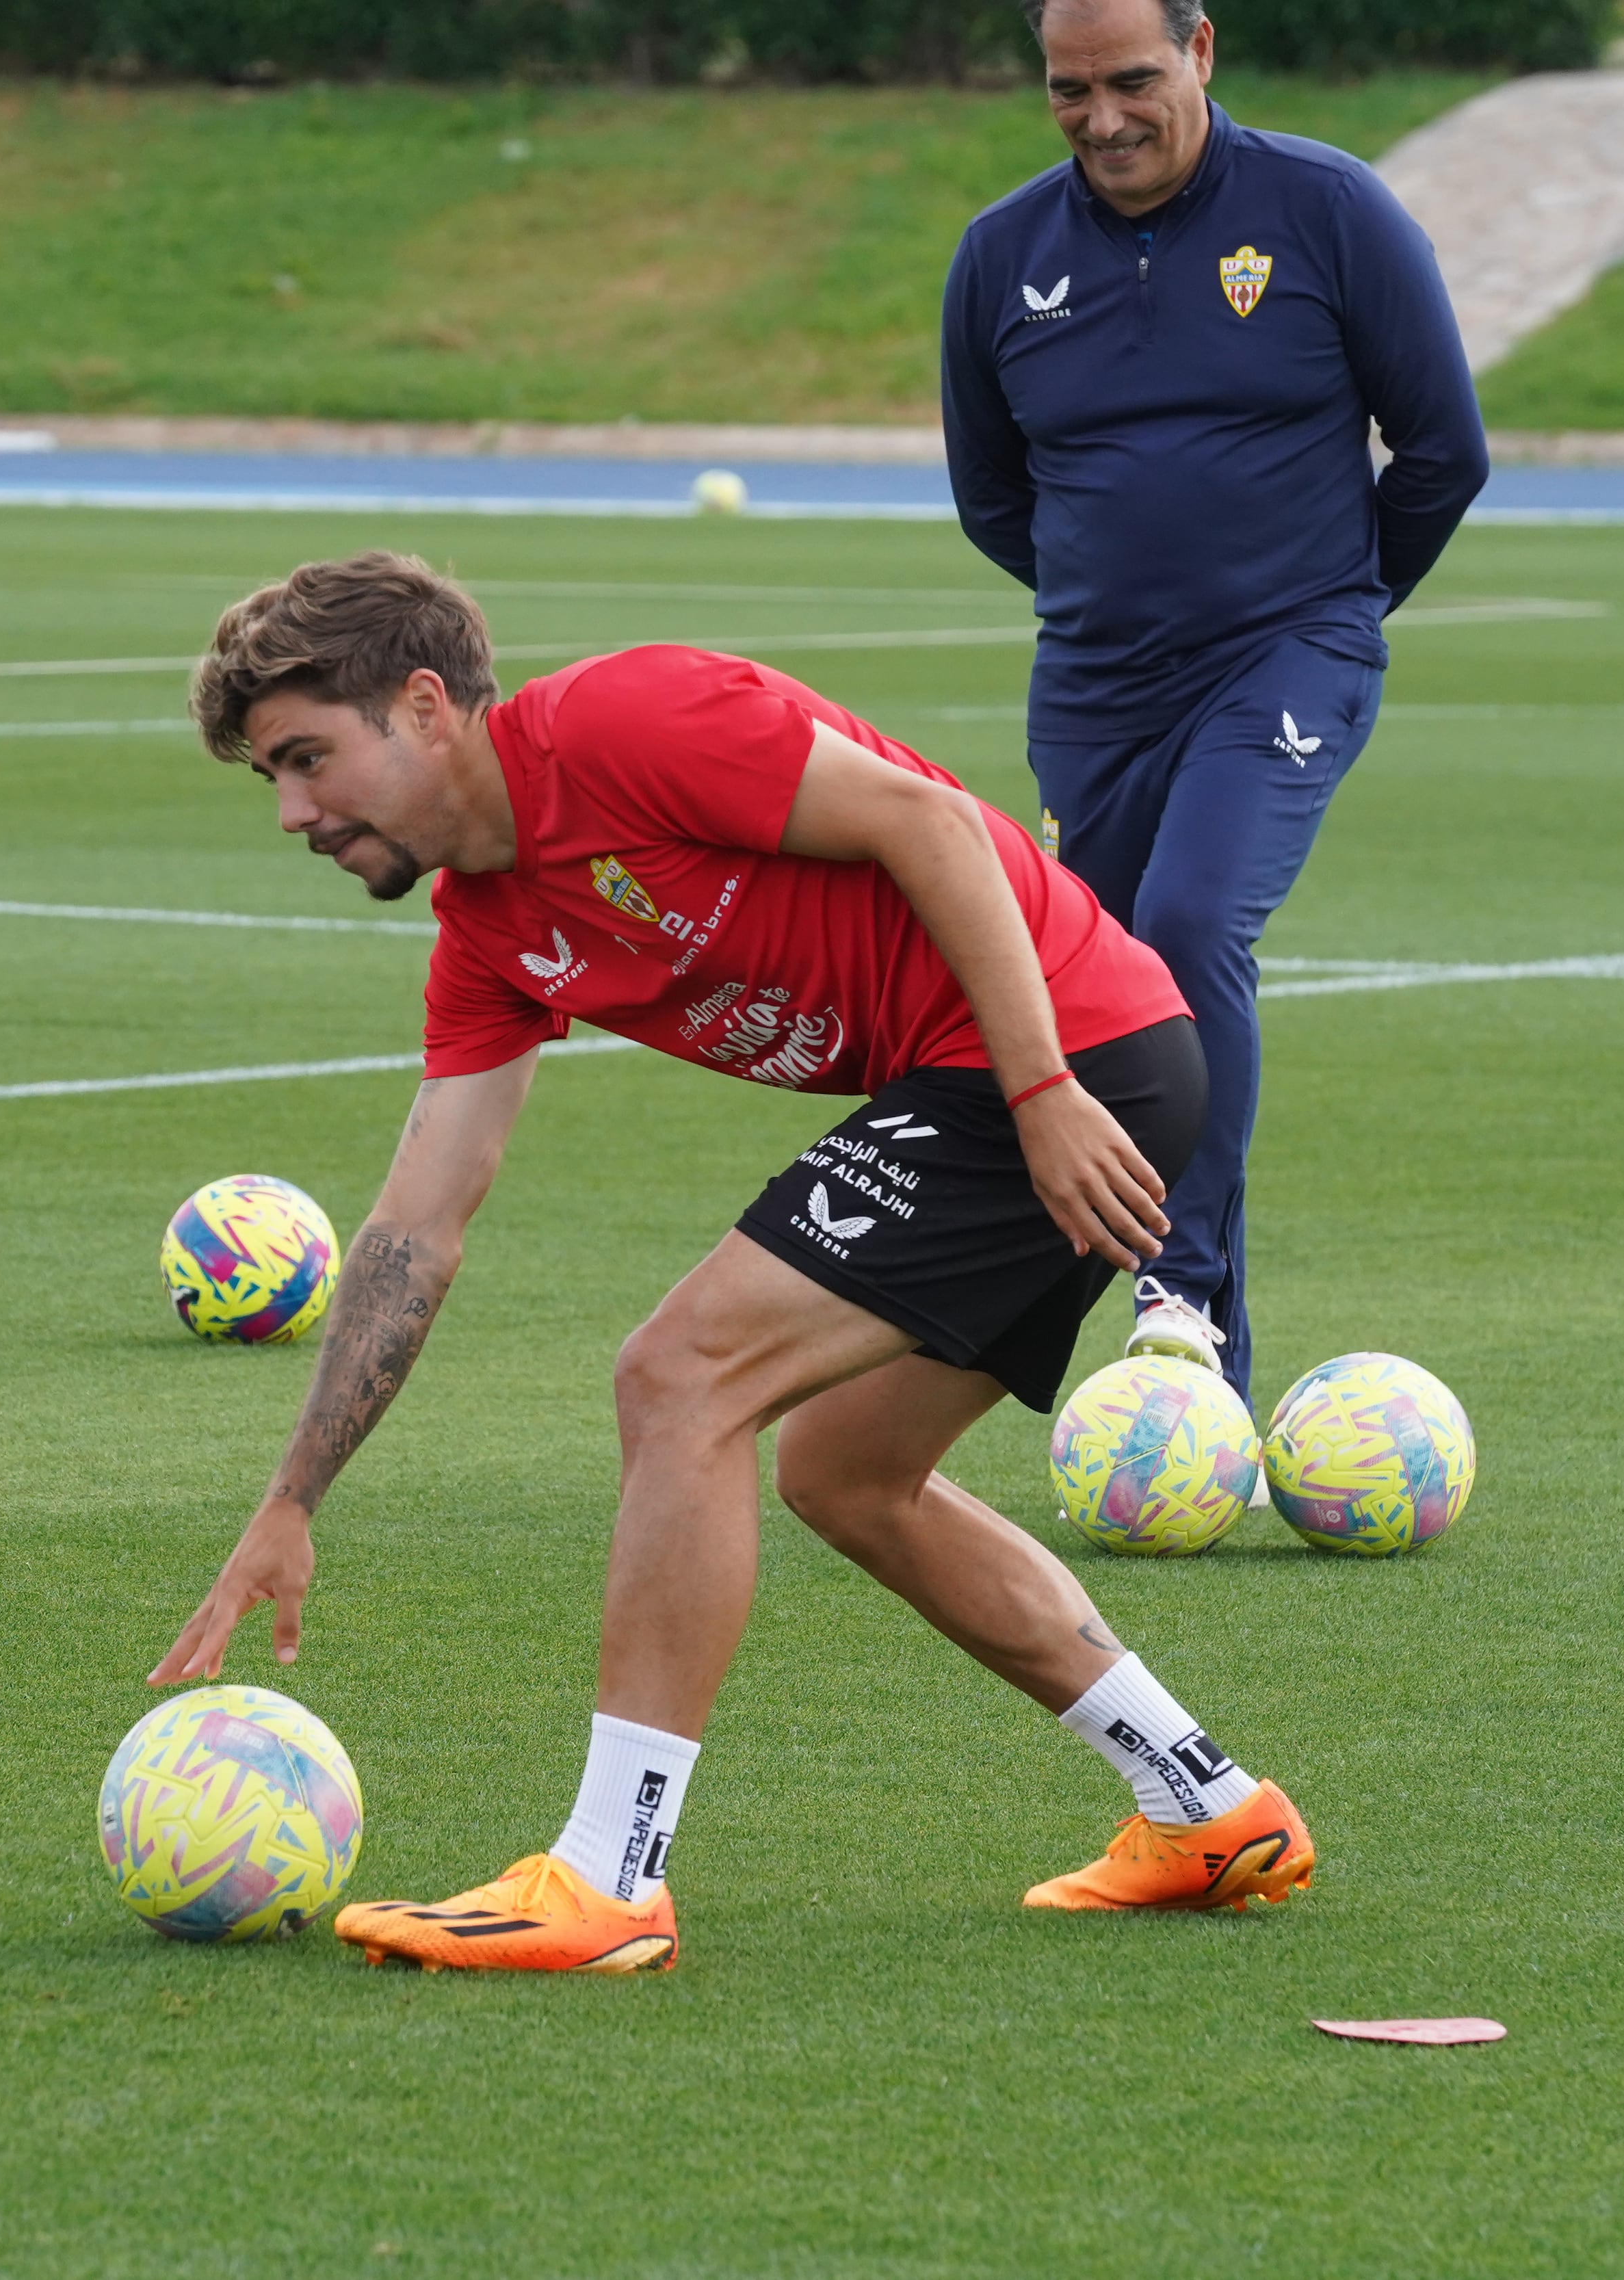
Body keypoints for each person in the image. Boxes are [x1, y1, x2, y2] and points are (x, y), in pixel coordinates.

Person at [150, 553, 1314, 1974]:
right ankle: (1206, 1801)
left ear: (424, 704)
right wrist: (289, 1501)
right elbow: (415, 1229)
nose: (294, 813)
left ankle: (609, 1875)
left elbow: (932, 822)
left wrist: (1036, 1089)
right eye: (273, 778)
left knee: (676, 1374)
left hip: (1060, 1069)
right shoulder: (489, 934)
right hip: (1041, 1083)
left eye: (307, 759)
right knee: (845, 1473)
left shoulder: (627, 721)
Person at [942, 0, 1487, 1400]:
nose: (1102, 116)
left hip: (1287, 658)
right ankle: (1199, 1372)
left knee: (1190, 924)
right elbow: (994, 497)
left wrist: (1335, 609)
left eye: (1131, 80)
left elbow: (1440, 448)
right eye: (1069, 90)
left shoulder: (1327, 210)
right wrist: (1111, 595)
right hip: (1094, 687)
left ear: (1202, 51)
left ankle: (1175, 1281)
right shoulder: (1000, 256)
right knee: (1110, 1000)